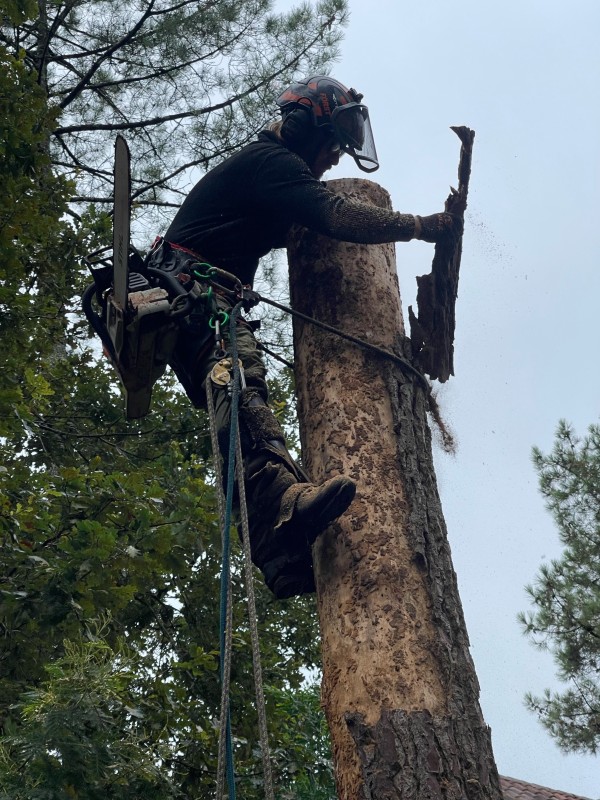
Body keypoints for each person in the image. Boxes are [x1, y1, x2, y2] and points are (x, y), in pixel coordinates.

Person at [147, 75, 461, 599]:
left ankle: (281, 555)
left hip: (199, 299)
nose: (336, 155)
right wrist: (421, 225)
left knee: (243, 397)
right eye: (332, 139)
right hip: (194, 297)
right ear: (301, 126)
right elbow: (335, 213)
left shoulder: (273, 174)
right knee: (240, 389)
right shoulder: (272, 163)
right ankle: (280, 511)